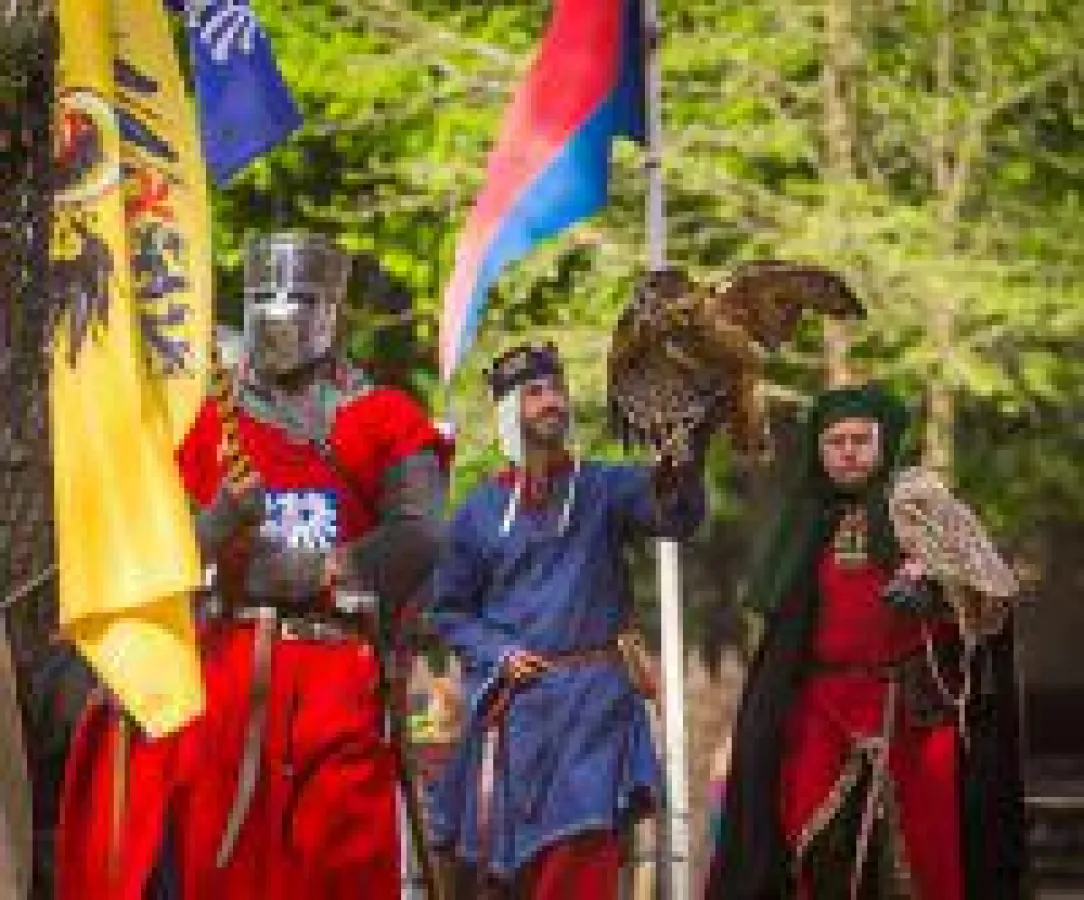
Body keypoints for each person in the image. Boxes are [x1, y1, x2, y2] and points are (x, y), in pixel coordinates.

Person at [55, 233, 448, 899]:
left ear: (331, 311)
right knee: (223, 867)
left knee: (339, 862)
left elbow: (422, 534)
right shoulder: (210, 424)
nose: (278, 315)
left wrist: (323, 571)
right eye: (263, 297)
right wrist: (220, 520)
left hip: (334, 673)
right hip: (228, 674)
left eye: (298, 299)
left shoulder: (385, 418)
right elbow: (163, 550)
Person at [704, 383, 1026, 899]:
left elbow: (992, 598)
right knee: (814, 845)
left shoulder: (922, 507)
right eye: (836, 442)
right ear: (819, 451)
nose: (849, 451)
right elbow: (783, 636)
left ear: (882, 444)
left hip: (910, 713)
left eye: (860, 440)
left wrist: (937, 598)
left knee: (920, 859)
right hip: (822, 710)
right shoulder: (804, 522)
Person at [426, 342, 706, 899]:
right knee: (510, 878)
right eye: (535, 393)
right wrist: (498, 653)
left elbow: (676, 514)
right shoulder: (478, 511)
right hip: (518, 718)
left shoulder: (606, 487)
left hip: (594, 712)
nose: (552, 401)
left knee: (582, 859)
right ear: (509, 411)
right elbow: (450, 612)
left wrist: (687, 451)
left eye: (557, 390)